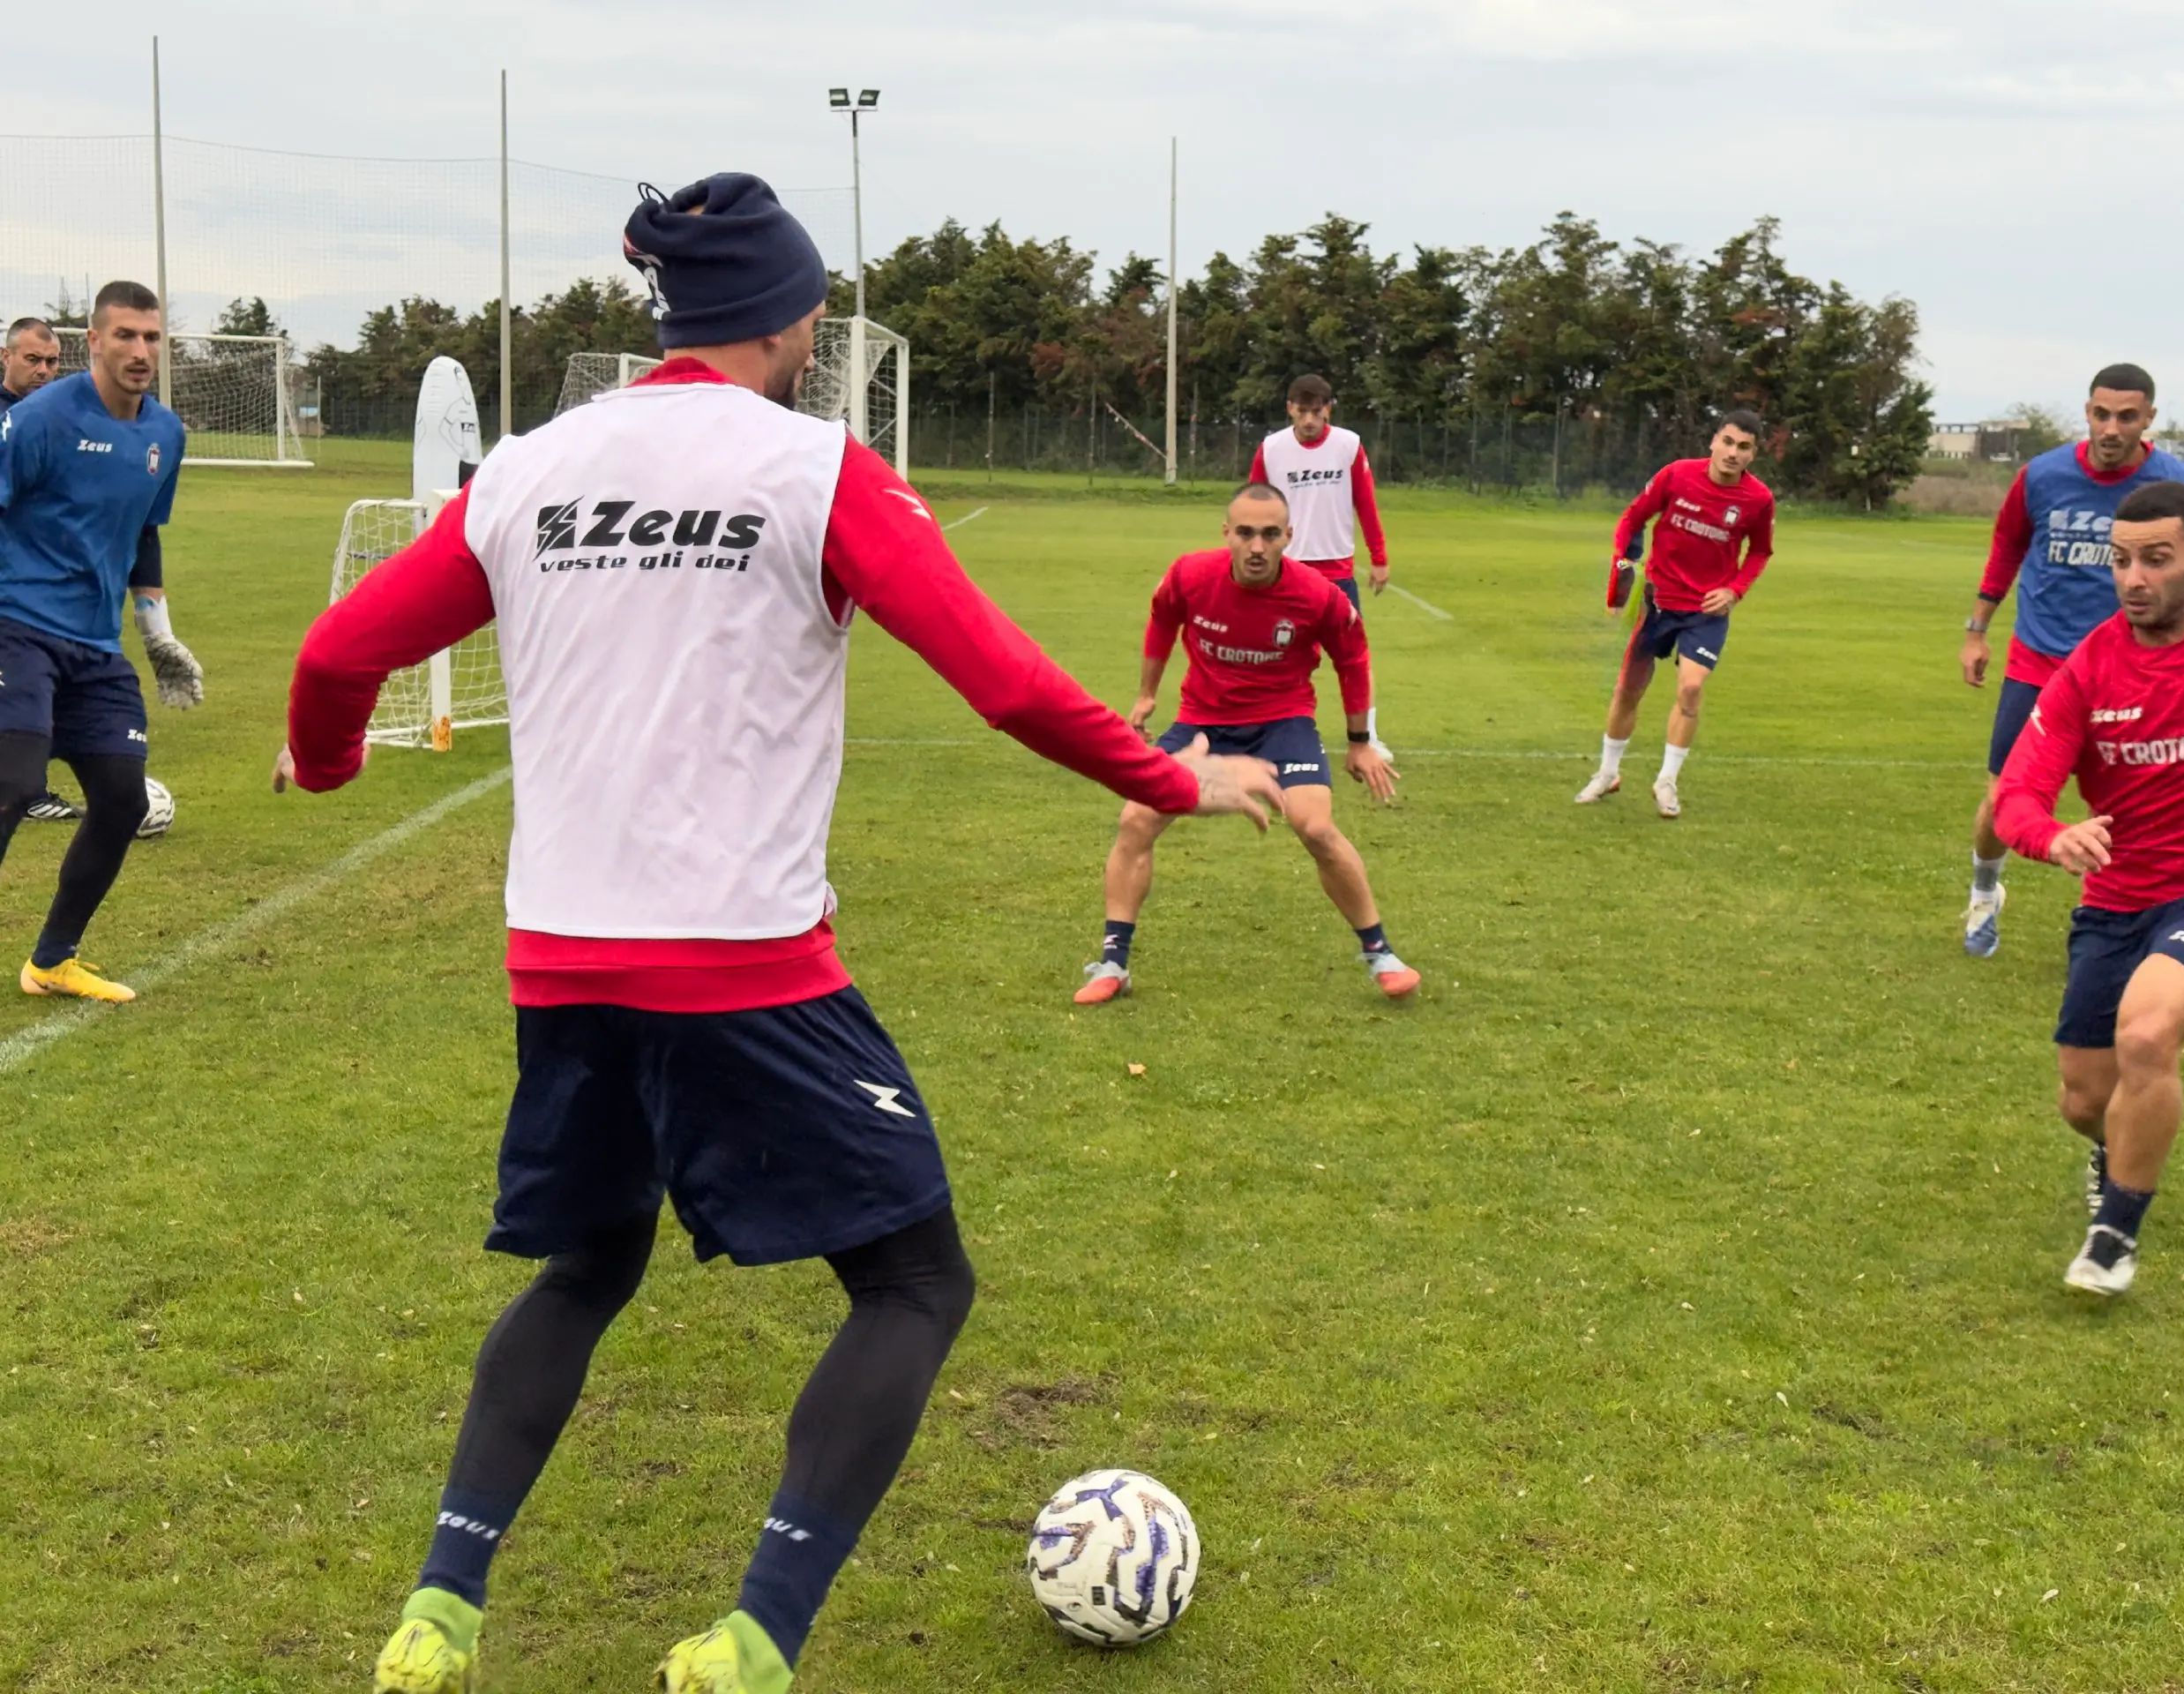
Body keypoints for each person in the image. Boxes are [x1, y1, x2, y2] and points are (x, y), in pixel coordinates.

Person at [278, 175, 1283, 1694]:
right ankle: (756, 1638)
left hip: (560, 963)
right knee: (916, 1284)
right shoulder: (819, 470)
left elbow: (341, 645)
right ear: (796, 314)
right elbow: (1004, 682)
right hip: (742, 967)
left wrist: (338, 761)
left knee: (582, 1272)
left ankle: (441, 1608)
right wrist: (1171, 777)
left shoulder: (535, 468)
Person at [1993, 481, 2184, 1296]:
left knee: (2148, 1038)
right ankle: (2118, 1153)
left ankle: (2114, 1235)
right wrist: (2054, 834)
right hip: (2116, 900)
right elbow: (2016, 797)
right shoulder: (2090, 667)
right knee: (2085, 1100)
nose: (2133, 578)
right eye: (2120, 561)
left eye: (2155, 558)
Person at [1073, 480, 1417, 1006]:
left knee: (1317, 827)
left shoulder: (1316, 594)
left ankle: (1381, 955)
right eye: (1247, 534)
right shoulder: (1191, 575)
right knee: (1135, 819)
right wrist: (1146, 695)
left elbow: (1353, 660)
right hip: (1202, 724)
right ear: (1227, 533)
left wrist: (1359, 741)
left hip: (1284, 724)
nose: (1257, 547)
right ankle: (1113, 963)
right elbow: (1163, 619)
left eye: (1270, 535)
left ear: (1288, 537)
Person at [1957, 364, 2184, 959]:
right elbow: (2008, 546)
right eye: (2100, 414)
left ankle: (2132, 919)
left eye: (2127, 416)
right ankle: (1985, 891)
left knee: (2147, 801)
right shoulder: (2041, 475)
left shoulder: (2178, 486)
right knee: (2000, 800)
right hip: (2041, 664)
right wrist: (1977, 629)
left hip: (2137, 670)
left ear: (2149, 421)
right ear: (2086, 412)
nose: (2111, 427)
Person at [0, 282, 203, 1004]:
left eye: (152, 338)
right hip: (16, 626)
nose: (140, 351)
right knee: (15, 785)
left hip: (93, 644)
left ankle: (51, 962)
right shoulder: (40, 419)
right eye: (125, 336)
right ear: (93, 340)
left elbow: (143, 534)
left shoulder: (165, 435)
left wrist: (158, 634)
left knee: (122, 801)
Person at [1574, 410, 1775, 818]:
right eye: (1729, 442)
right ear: (1714, 441)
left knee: (1690, 690)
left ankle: (1666, 781)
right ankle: (1608, 772)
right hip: (1657, 603)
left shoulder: (1757, 500)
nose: (1733, 453)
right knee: (1628, 691)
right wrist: (1624, 567)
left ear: (1754, 454)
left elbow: (1759, 551)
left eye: (1744, 447)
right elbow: (1633, 518)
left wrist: (1734, 590)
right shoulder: (1677, 475)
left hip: (1705, 612)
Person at [1248, 373, 1395, 759]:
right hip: (1284, 573)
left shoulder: (1349, 445)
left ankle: (1369, 736)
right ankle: (1262, 733)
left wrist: (1378, 557)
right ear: (1290, 409)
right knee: (1274, 657)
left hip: (1337, 574)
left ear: (1329, 409)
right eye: (1302, 411)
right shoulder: (1272, 449)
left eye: (1317, 412)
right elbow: (1253, 504)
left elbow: (1366, 503)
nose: (1310, 420)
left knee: (1354, 658)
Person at [0, 316, 93, 825]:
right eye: (32, 359)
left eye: (52, 361)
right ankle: (30, 790)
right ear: (5, 357)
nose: (42, 370)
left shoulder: (62, 418)